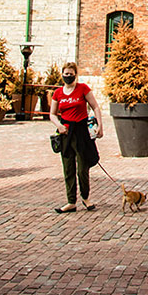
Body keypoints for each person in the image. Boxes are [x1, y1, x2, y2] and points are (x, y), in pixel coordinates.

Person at [49, 61, 103, 212]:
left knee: (82, 168)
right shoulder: (58, 93)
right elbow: (52, 114)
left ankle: (85, 197)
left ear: (75, 75)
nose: (68, 76)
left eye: (71, 74)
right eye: (66, 74)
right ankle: (71, 201)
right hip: (66, 132)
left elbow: (95, 106)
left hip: (81, 131)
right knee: (68, 167)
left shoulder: (82, 89)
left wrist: (99, 125)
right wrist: (58, 125)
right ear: (62, 75)